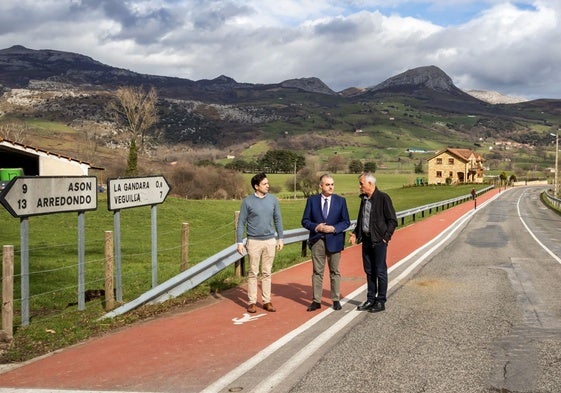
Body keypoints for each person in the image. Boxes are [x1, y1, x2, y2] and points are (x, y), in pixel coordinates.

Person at [301, 174, 350, 311]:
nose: (331, 187)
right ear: (320, 186)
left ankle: (335, 299)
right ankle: (316, 300)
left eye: (332, 184)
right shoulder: (312, 200)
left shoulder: (341, 201)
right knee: (317, 272)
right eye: (327, 184)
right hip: (317, 241)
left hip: (335, 240)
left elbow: (346, 221)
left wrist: (334, 228)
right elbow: (305, 221)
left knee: (335, 271)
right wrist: (317, 227)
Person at [349, 172, 397, 313]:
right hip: (367, 241)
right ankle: (370, 299)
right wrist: (355, 234)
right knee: (369, 271)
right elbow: (361, 221)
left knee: (380, 271)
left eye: (361, 184)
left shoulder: (383, 198)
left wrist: (385, 237)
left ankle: (380, 301)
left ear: (370, 184)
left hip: (379, 241)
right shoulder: (364, 200)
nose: (359, 187)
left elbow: (392, 220)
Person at [236, 172, 284, 313]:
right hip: (253, 241)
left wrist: (280, 238)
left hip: (270, 241)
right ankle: (251, 302)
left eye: (268, 183)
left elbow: (278, 219)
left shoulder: (273, 200)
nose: (268, 186)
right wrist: (239, 241)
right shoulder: (247, 202)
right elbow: (241, 223)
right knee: (253, 272)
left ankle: (266, 301)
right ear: (256, 186)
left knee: (267, 272)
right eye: (264, 184)